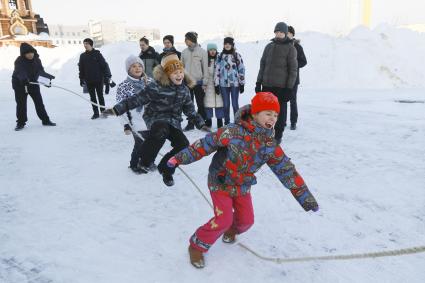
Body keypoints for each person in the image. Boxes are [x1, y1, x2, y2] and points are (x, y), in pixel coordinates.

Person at [166, 92, 319, 268]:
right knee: (223, 219)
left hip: (242, 185)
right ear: (255, 113)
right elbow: (204, 145)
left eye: (275, 115)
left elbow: (287, 171)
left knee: (246, 221)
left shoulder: (269, 145)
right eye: (268, 113)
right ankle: (197, 244)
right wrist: (179, 158)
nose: (273, 118)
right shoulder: (232, 132)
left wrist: (306, 199)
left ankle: (231, 229)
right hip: (220, 181)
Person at [102, 54, 208, 186]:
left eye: (180, 72)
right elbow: (137, 99)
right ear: (168, 74)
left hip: (174, 122)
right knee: (161, 131)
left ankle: (166, 169)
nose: (179, 75)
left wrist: (201, 124)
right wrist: (116, 110)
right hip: (156, 118)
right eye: (175, 73)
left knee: (183, 145)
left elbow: (190, 110)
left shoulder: (184, 90)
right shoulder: (156, 87)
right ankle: (145, 161)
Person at [256, 22, 298, 144]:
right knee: (265, 112)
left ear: (285, 33)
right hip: (267, 85)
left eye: (281, 32)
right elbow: (262, 65)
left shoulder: (291, 48)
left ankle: (278, 136)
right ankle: (265, 133)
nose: (278, 34)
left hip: (281, 87)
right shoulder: (269, 47)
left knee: (279, 112)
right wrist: (259, 82)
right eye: (277, 32)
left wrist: (289, 88)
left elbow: (293, 70)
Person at [115, 55, 155, 174]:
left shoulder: (150, 82)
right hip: (135, 120)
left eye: (139, 66)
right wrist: (126, 125)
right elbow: (120, 107)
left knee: (152, 142)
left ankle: (147, 162)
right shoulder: (123, 86)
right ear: (128, 69)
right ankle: (134, 164)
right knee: (140, 143)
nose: (137, 68)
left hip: (151, 119)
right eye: (133, 66)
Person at [12, 42, 56, 131]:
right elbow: (20, 71)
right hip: (20, 85)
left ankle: (45, 120)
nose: (30, 55)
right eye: (27, 53)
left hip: (33, 84)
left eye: (31, 52)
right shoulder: (19, 61)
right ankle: (20, 123)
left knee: (39, 102)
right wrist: (24, 79)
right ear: (23, 54)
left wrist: (46, 81)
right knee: (21, 104)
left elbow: (40, 71)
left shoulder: (37, 60)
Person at [181, 31, 208, 131]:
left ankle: (201, 123)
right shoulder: (184, 52)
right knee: (189, 105)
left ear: (192, 40)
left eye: (186, 39)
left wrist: (205, 82)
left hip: (198, 82)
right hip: (187, 82)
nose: (185, 41)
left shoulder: (202, 52)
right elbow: (181, 67)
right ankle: (190, 124)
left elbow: (205, 68)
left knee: (200, 103)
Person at [214, 37, 245, 125]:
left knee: (235, 105)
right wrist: (216, 84)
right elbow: (217, 70)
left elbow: (241, 69)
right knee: (226, 105)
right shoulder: (220, 56)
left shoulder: (237, 55)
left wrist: (242, 83)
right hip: (223, 84)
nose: (227, 45)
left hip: (235, 84)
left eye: (229, 44)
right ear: (224, 45)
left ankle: (237, 122)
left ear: (232, 45)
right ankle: (227, 122)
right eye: (225, 44)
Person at [78, 38, 111, 119]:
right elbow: (81, 68)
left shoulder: (97, 54)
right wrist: (81, 79)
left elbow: (104, 66)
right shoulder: (82, 56)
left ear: (91, 45)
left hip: (99, 79)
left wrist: (107, 76)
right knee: (92, 98)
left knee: (100, 96)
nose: (85, 45)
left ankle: (103, 113)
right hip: (89, 80)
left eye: (87, 44)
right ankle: (95, 113)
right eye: (84, 44)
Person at [287, 26, 307, 130]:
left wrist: (293, 64)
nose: (287, 34)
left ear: (292, 34)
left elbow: (304, 61)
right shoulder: (282, 45)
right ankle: (281, 121)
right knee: (282, 101)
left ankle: (293, 122)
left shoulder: (297, 47)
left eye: (289, 33)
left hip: (294, 79)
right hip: (282, 79)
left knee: (293, 100)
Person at [204, 43, 224, 129]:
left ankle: (220, 121)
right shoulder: (205, 61)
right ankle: (208, 121)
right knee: (208, 103)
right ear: (208, 51)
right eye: (211, 50)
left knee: (219, 103)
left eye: (214, 50)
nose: (212, 52)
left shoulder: (220, 59)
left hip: (218, 84)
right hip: (208, 85)